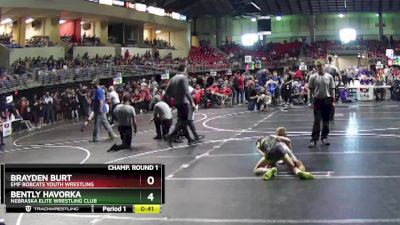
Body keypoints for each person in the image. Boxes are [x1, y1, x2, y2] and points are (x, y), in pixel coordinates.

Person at [164, 65, 203, 147]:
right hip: (184, 102)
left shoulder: (173, 78)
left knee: (184, 121)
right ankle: (170, 136)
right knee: (183, 121)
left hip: (177, 102)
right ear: (184, 69)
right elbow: (186, 91)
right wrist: (192, 102)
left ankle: (189, 139)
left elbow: (167, 92)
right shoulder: (183, 77)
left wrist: (173, 100)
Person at [308, 59, 335, 148]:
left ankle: (324, 137)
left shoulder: (329, 77)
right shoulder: (312, 77)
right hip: (317, 100)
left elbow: (332, 89)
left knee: (326, 120)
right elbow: (310, 90)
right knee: (317, 121)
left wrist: (333, 101)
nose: (319, 68)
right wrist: (310, 102)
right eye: (317, 67)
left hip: (327, 100)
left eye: (320, 66)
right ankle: (314, 139)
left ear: (324, 66)